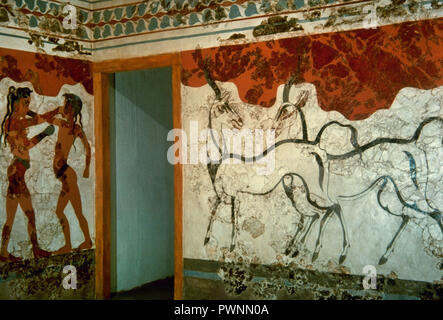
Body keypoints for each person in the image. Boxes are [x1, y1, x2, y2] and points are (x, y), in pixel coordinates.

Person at [0, 86, 58, 261]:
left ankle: (3, 252)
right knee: (30, 214)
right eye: (25, 104)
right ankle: (36, 249)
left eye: (29, 104)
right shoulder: (15, 122)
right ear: (16, 104)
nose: (27, 108)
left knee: (10, 217)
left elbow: (35, 121)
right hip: (17, 172)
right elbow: (26, 145)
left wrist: (34, 115)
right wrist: (44, 133)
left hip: (16, 172)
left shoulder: (15, 120)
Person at [50, 93, 92, 254]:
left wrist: (87, 168)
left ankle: (69, 244)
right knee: (77, 211)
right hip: (66, 174)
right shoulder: (64, 125)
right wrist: (56, 110)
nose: (64, 108)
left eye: (66, 106)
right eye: (64, 105)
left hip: (67, 175)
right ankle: (87, 240)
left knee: (59, 211)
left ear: (72, 110)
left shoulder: (71, 127)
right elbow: (42, 118)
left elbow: (88, 147)